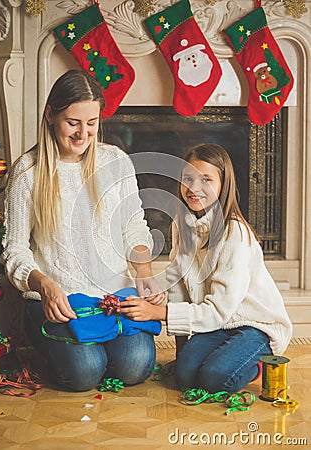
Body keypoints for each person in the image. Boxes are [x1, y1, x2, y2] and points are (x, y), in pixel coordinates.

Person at [1, 69, 163, 392]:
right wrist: (44, 285)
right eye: (73, 123)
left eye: (92, 124)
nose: (83, 134)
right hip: (56, 301)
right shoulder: (27, 172)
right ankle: (55, 350)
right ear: (50, 115)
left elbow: (134, 226)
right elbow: (15, 250)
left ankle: (93, 344)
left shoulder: (114, 161)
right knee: (85, 373)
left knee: (136, 365)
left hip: (111, 297)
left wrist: (144, 272)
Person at [121, 143, 292, 393]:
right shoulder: (182, 225)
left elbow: (219, 311)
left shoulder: (234, 233)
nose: (194, 188)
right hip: (217, 325)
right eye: (187, 178)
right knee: (185, 376)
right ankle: (219, 357)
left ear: (223, 185)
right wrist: (182, 354)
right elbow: (179, 286)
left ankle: (257, 363)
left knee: (215, 378)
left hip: (254, 325)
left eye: (206, 180)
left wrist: (157, 312)